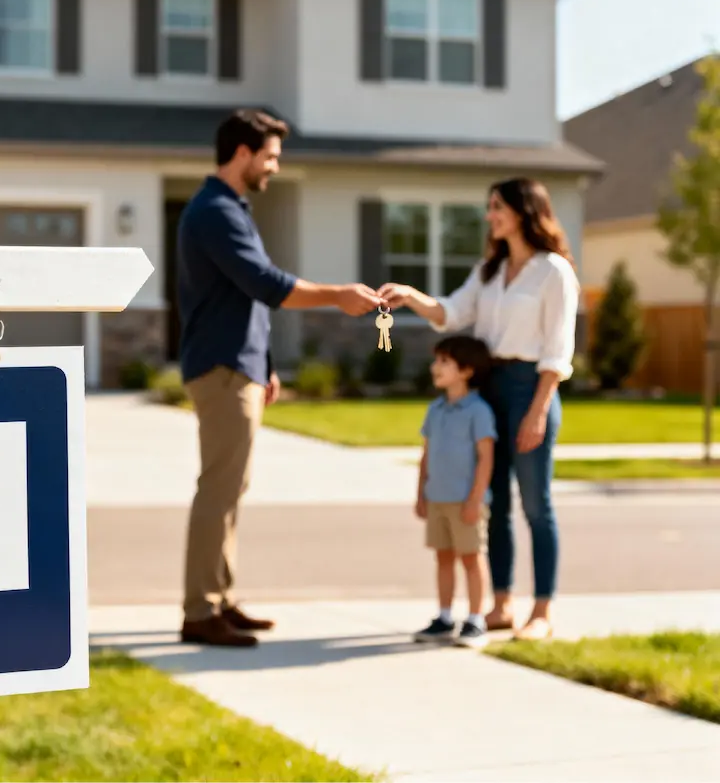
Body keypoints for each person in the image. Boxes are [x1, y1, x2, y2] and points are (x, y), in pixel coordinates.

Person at [176, 109, 382, 648]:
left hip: (239, 364)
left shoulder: (232, 210)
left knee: (231, 487)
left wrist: (263, 364)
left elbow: (245, 297)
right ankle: (200, 611)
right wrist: (338, 295)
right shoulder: (214, 211)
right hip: (221, 367)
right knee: (218, 490)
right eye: (270, 156)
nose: (274, 166)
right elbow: (265, 284)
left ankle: (219, 598)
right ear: (242, 153)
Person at [379, 177, 579, 641]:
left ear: (524, 210)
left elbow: (558, 349)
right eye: (490, 208)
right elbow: (451, 312)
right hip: (489, 388)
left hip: (532, 388)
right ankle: (502, 604)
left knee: (536, 504)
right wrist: (411, 296)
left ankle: (543, 611)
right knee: (496, 503)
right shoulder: (490, 270)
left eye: (497, 207)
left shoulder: (554, 271)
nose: (490, 216)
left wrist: (537, 409)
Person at [413, 335, 496, 649]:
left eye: (444, 362)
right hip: (437, 499)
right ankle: (444, 617)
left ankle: (475, 619)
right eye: (436, 361)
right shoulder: (435, 410)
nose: (435, 367)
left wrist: (475, 499)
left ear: (467, 371)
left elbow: (486, 457)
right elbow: (426, 454)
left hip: (466, 502)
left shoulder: (478, 411)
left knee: (472, 559)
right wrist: (421, 494)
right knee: (443, 558)